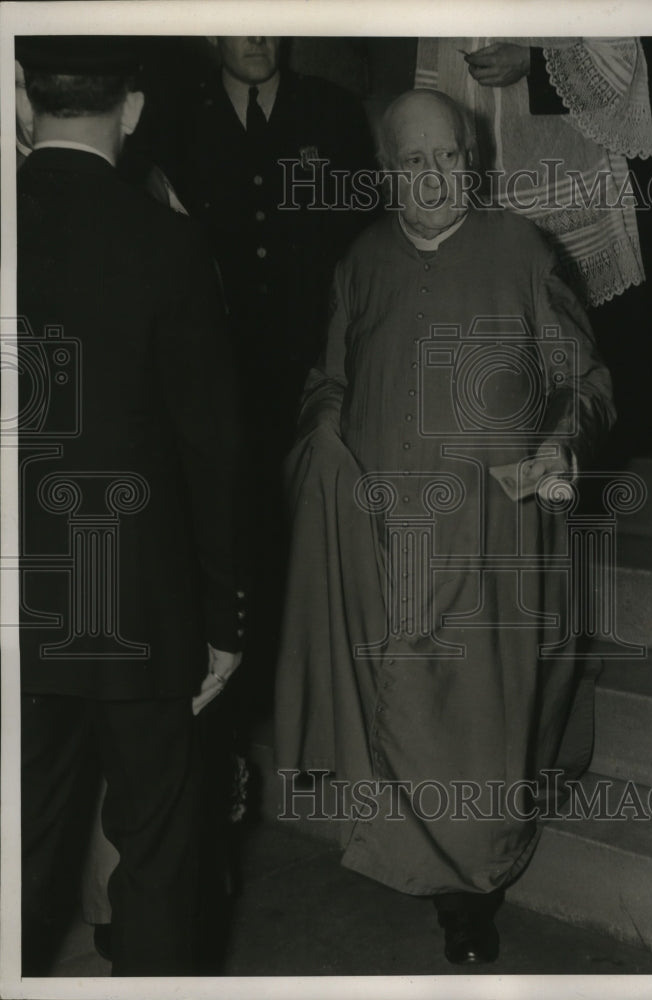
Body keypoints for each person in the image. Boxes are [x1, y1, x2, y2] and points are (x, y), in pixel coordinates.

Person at [275, 89, 615, 965]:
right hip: (388, 535)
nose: (435, 179)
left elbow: (589, 382)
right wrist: (322, 427)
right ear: (386, 174)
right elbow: (331, 377)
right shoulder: (361, 262)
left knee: (483, 726)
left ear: (475, 162)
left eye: (451, 159)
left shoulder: (523, 251)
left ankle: (476, 889)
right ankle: (421, 861)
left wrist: (558, 444)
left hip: (496, 533)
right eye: (414, 162)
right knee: (407, 712)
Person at [16, 36, 245, 976]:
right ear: (133, 108)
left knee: (14, 851)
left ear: (26, 103)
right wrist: (227, 613)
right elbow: (215, 447)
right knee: (157, 850)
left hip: (17, 607)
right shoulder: (171, 242)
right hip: (141, 610)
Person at [160, 35, 376, 716]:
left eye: (267, 21)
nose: (256, 36)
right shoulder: (175, 117)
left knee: (308, 532)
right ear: (207, 34)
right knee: (229, 525)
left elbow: (359, 238)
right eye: (237, 21)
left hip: (308, 365)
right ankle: (244, 699)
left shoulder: (331, 109)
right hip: (212, 368)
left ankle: (313, 697)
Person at [415, 37, 652, 459]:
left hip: (565, 178)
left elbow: (619, 57)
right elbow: (430, 73)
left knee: (581, 380)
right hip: (478, 187)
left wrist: (533, 61)